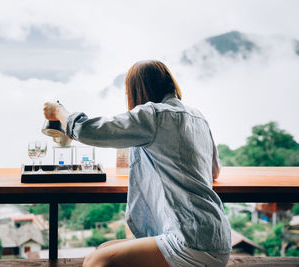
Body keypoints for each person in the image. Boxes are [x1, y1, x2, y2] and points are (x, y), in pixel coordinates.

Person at [43, 60, 231, 267]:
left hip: (190, 240)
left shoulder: (154, 115)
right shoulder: (197, 117)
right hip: (217, 235)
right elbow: (214, 172)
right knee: (104, 249)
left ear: (137, 90)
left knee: (97, 261)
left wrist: (59, 111)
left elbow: (89, 131)